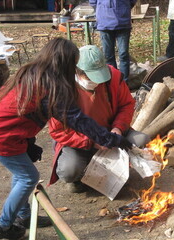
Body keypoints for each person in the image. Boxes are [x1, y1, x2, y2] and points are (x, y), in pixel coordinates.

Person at [0, 38, 132, 240]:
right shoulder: (50, 86)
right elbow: (78, 120)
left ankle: (24, 216)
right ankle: (3, 226)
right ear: (65, 63)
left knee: (21, 172)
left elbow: (23, 112)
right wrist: (110, 139)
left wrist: (28, 143)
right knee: (28, 177)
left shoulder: (34, 72)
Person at [48, 45, 150, 192]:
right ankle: (78, 179)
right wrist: (92, 142)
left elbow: (127, 104)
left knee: (141, 141)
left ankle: (116, 172)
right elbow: (58, 131)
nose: (97, 82)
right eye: (90, 77)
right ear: (77, 71)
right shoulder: (61, 87)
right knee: (69, 170)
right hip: (79, 140)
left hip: (110, 133)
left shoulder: (114, 76)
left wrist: (118, 128)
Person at [89, 0, 137, 82]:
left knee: (123, 55)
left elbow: (132, 1)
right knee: (108, 56)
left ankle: (123, 83)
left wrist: (123, 8)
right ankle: (112, 84)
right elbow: (93, 2)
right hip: (105, 22)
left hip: (123, 23)